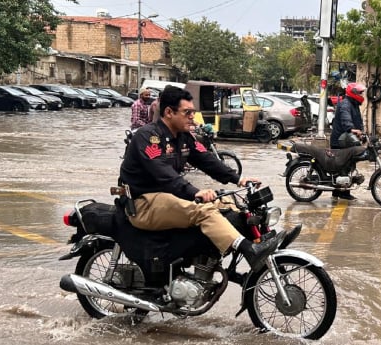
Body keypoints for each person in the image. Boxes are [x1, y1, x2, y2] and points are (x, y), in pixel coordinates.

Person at [119, 86, 286, 273]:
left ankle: (216, 257)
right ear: (169, 112)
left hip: (167, 198)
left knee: (230, 204)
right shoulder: (149, 137)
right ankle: (249, 250)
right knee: (203, 210)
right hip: (143, 202)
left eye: (193, 112)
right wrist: (195, 192)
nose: (192, 116)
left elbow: (206, 159)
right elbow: (162, 172)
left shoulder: (183, 137)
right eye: (187, 112)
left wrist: (238, 179)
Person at [329, 82, 366, 201]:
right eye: (360, 93)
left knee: (346, 166)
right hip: (340, 140)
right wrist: (352, 129)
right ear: (353, 93)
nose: (361, 95)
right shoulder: (345, 104)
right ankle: (343, 193)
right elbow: (346, 119)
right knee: (344, 166)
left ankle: (336, 191)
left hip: (346, 139)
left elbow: (357, 121)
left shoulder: (354, 104)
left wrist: (361, 132)